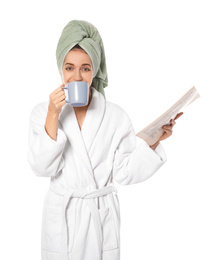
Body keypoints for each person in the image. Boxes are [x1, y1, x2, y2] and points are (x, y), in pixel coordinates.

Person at [27, 20, 183, 260]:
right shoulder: (43, 112)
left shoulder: (115, 116)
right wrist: (53, 114)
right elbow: (41, 168)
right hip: (62, 220)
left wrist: (154, 141)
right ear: (61, 69)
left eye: (85, 68)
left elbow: (124, 173)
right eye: (69, 68)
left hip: (100, 217)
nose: (77, 77)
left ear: (94, 71)